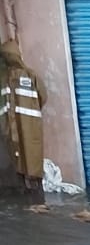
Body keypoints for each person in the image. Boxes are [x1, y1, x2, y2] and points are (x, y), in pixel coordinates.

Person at [0, 39, 46, 189]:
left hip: (10, 128)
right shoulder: (31, 75)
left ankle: (24, 196)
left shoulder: (3, 78)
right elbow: (43, 96)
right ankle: (35, 196)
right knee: (30, 159)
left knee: (17, 161)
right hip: (30, 127)